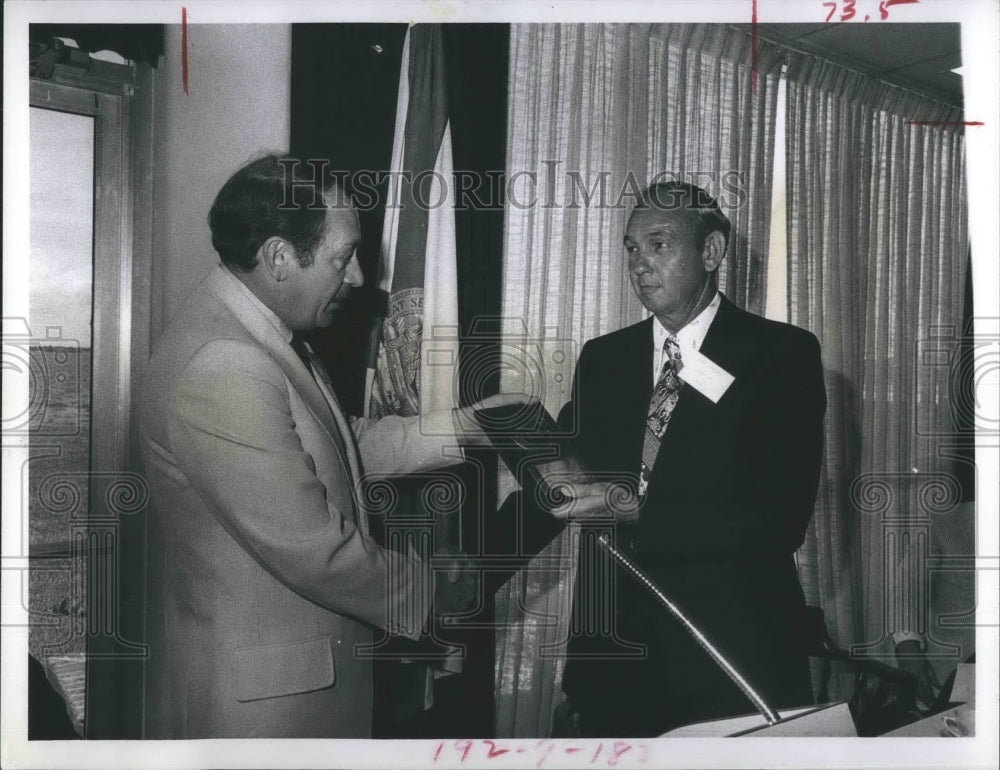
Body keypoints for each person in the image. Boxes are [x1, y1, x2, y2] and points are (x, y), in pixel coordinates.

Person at [138, 154, 514, 738]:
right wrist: (435, 589)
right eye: (344, 257)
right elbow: (313, 549)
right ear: (280, 258)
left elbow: (340, 445)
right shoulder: (225, 363)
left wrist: (468, 427)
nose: (360, 277)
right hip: (269, 715)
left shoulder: (260, 333)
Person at [530, 181, 827, 736]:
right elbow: (571, 477)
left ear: (711, 252)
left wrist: (637, 508)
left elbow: (779, 521)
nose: (639, 263)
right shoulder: (604, 359)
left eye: (659, 245)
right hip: (613, 660)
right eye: (631, 248)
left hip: (730, 657)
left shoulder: (780, 354)